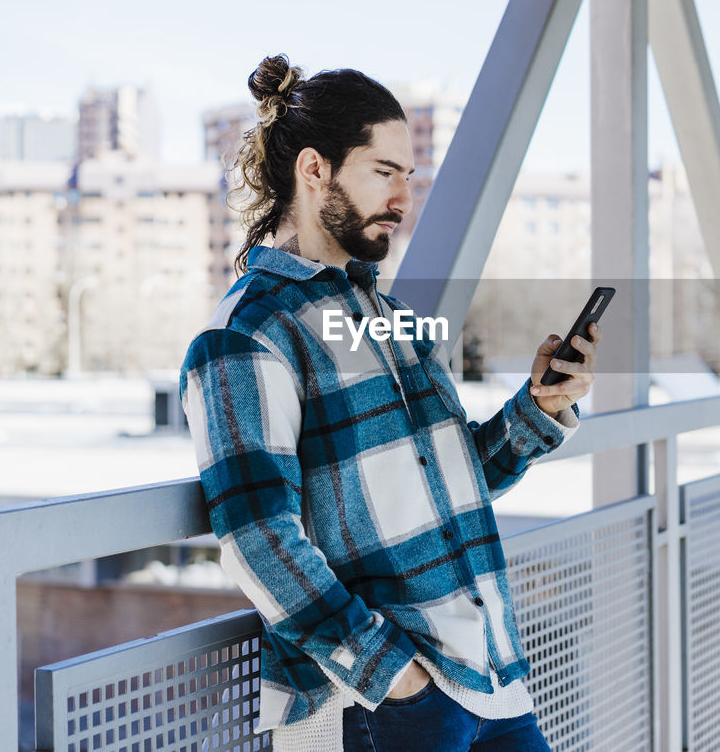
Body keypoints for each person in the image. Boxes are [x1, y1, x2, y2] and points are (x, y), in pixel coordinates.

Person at [178, 54, 600, 752]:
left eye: (410, 175)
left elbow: (452, 481)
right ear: (314, 170)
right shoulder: (246, 334)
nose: (404, 198)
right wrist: (395, 677)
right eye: (385, 172)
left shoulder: (393, 321)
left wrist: (538, 407)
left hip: (492, 677)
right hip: (386, 702)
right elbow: (259, 539)